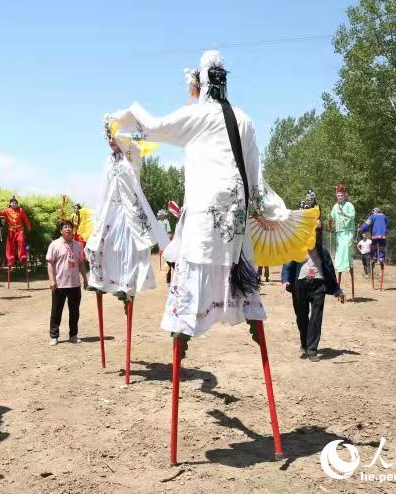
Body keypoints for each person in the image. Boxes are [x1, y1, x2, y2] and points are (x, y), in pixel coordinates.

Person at [107, 50, 318, 462]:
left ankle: (183, 333)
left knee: (193, 269)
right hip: (237, 217)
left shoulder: (198, 114)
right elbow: (255, 177)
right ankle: (244, 319)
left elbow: (152, 127)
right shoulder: (245, 118)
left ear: (201, 82)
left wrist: (124, 115)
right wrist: (273, 210)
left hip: (206, 213)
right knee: (235, 270)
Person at [86, 124, 169, 301]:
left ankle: (126, 286)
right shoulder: (109, 160)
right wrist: (99, 212)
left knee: (127, 248)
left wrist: (124, 123)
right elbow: (104, 187)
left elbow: (138, 140)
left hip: (129, 209)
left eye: (113, 136)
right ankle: (98, 280)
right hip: (111, 207)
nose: (110, 140)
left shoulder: (131, 155)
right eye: (107, 137)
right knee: (98, 242)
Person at [282, 191, 344, 362]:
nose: (315, 232)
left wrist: (337, 290)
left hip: (318, 283)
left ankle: (312, 349)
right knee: (302, 317)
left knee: (316, 318)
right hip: (300, 284)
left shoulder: (322, 251)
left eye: (317, 230)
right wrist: (286, 279)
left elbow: (330, 270)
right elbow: (288, 262)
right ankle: (304, 342)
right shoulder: (295, 246)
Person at [47, 220, 87, 345]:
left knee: (74, 312)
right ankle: (54, 336)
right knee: (56, 312)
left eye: (70, 227)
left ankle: (73, 335)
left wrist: (85, 280)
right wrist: (52, 280)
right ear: (61, 230)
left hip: (75, 284)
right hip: (59, 284)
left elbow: (81, 263)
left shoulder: (78, 245)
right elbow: (50, 263)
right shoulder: (54, 244)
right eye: (65, 227)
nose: (68, 229)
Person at [328, 184, 356, 284]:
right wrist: (330, 226)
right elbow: (331, 217)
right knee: (339, 251)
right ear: (336, 196)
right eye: (338, 195)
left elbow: (352, 216)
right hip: (339, 232)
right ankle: (340, 266)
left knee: (346, 247)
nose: (340, 197)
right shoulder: (335, 206)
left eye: (341, 195)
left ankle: (347, 265)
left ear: (345, 196)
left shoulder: (349, 205)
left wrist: (344, 214)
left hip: (348, 232)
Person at [0, 197, 32, 268]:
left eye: (15, 203)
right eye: (13, 203)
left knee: (21, 242)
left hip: (20, 230)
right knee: (10, 245)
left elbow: (25, 219)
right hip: (11, 231)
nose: (14, 204)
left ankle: (22, 257)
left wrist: (28, 226)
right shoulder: (7, 210)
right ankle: (10, 260)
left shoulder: (20, 210)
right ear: (10, 204)